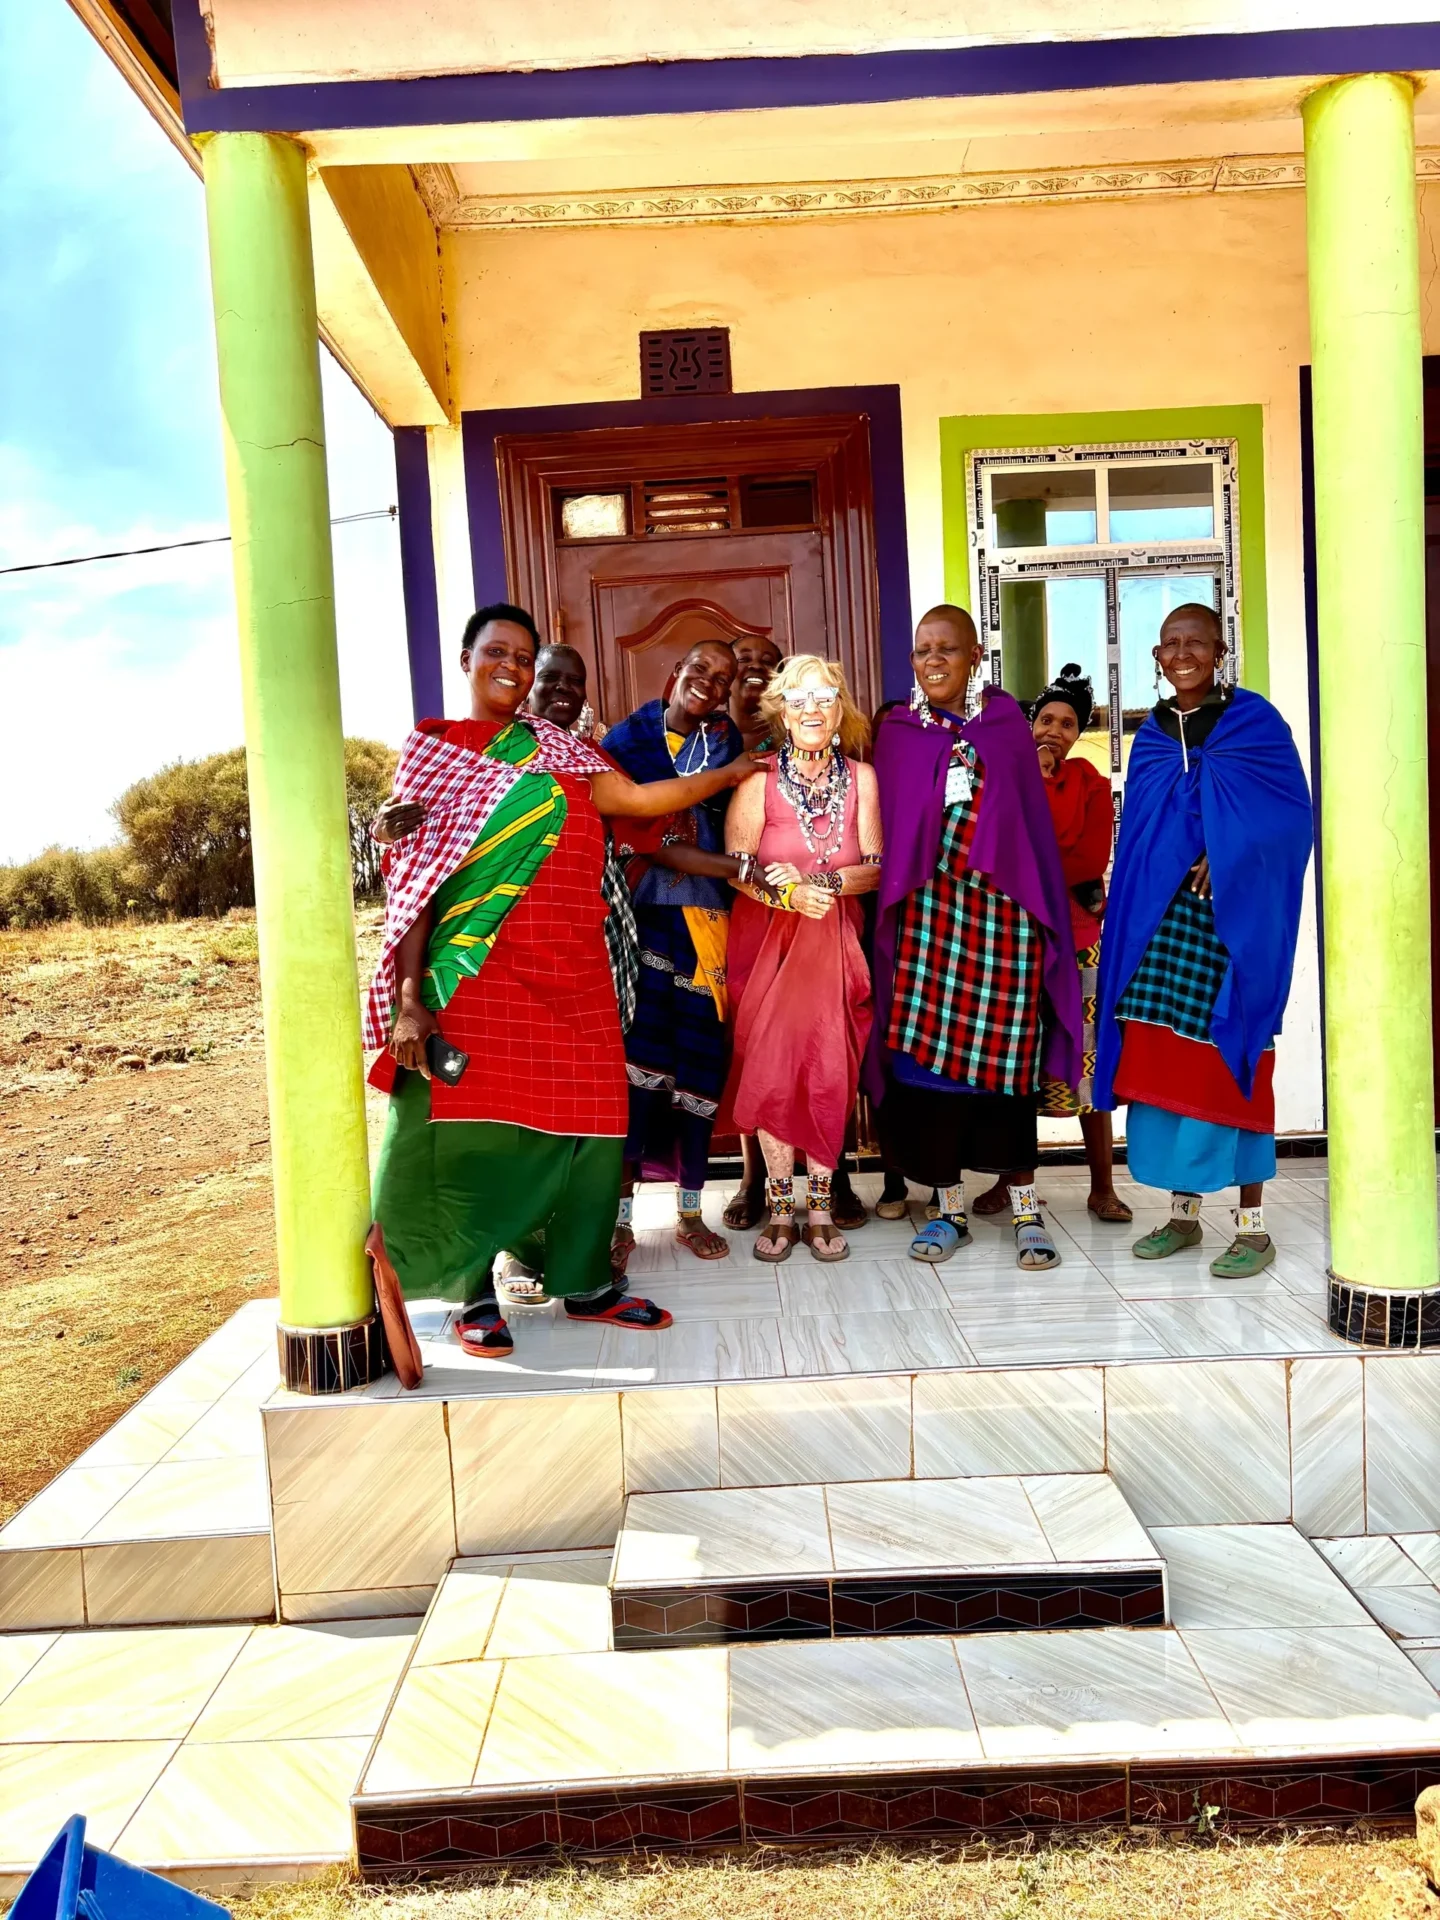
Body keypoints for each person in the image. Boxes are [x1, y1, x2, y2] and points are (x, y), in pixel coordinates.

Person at [363, 604, 761, 1366]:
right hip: (478, 975)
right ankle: (471, 1291)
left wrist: (732, 771)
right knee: (470, 1131)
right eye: (497, 651)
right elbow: (416, 886)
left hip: (575, 977)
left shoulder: (566, 753)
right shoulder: (436, 754)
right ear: (467, 658)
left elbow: (642, 803)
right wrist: (412, 1002)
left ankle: (584, 1286)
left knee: (594, 1130)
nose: (510, 665)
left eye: (523, 653)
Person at [1094, 603, 1312, 1276]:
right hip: (1162, 931)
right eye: (1170, 644)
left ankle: (1252, 1228)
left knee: (1235, 1060)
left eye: (1197, 642)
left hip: (1232, 929)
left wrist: (1230, 851)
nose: (1183, 653)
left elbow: (1290, 818)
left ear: (1220, 652)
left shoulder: (1255, 724)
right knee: (1167, 1066)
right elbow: (1140, 837)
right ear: (1157, 659)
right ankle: (1183, 1218)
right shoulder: (1152, 738)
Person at [866, 606, 1083, 1270]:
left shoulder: (1005, 728)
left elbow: (1028, 834)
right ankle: (950, 1213)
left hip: (1002, 928)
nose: (933, 660)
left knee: (1006, 1077)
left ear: (974, 655)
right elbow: (895, 830)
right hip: (927, 929)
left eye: (947, 649)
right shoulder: (900, 734)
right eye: (922, 650)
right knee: (931, 1080)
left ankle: (1025, 1212)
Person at [720, 656, 881, 1261]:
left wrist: (827, 885)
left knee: (827, 1069)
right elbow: (737, 869)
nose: (812, 709)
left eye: (825, 698)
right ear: (782, 712)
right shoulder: (756, 780)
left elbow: (876, 866)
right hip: (766, 947)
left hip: (834, 945)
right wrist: (781, 890)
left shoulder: (862, 778)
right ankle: (781, 1212)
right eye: (799, 698)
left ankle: (820, 1209)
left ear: (841, 712)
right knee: (770, 1071)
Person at [602, 640, 748, 1264]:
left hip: (710, 924)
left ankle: (691, 1212)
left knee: (699, 1068)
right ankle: (621, 1220)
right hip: (644, 920)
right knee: (636, 1071)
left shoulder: (728, 746)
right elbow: (648, 837)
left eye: (722, 678)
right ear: (675, 673)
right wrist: (738, 865)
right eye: (700, 670)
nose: (709, 685)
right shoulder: (626, 743)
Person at [972, 664, 1132, 1225]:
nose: (1054, 732)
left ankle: (1102, 1186)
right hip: (1013, 937)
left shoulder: (1089, 782)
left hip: (1079, 938)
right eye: (1045, 719)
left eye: (1067, 724)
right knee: (1014, 1063)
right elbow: (993, 848)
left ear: (1077, 732)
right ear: (1027, 723)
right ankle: (1010, 1182)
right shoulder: (1001, 776)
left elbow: (1088, 860)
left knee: (1088, 1062)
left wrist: (1036, 861)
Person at [730, 631, 785, 751]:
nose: (756, 666)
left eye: (767, 661)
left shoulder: (792, 737)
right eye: (744, 659)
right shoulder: (703, 733)